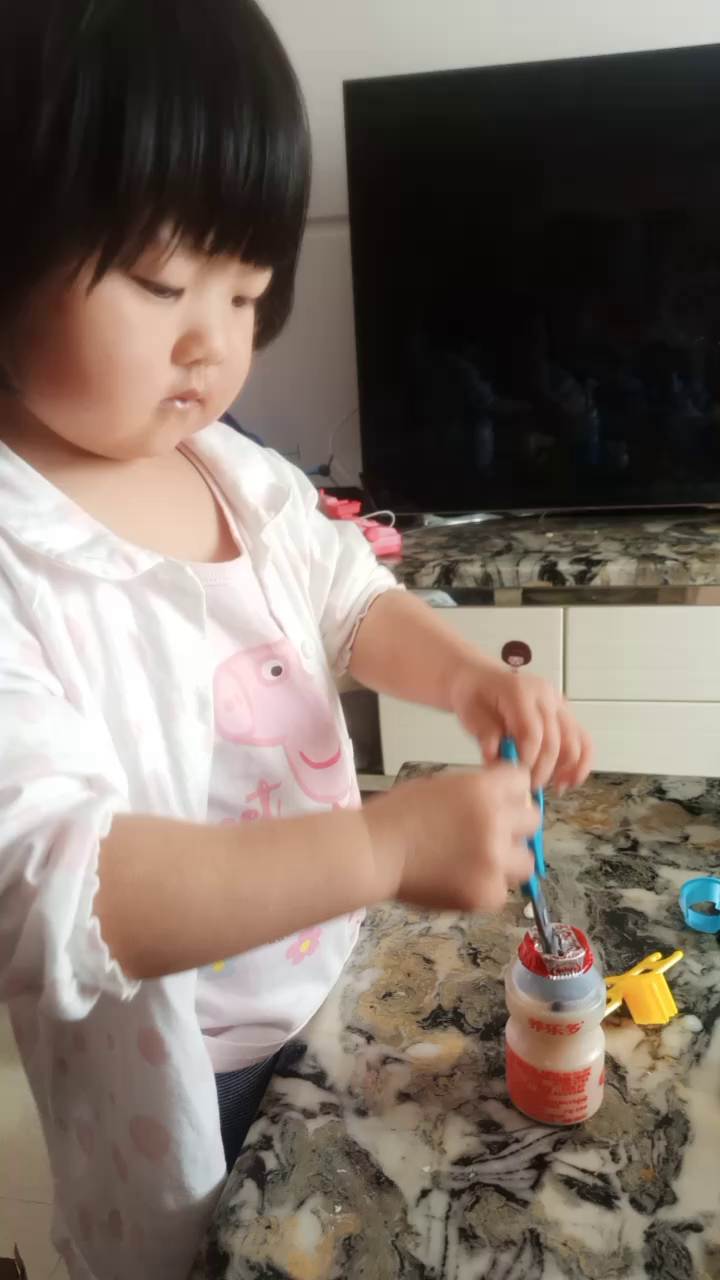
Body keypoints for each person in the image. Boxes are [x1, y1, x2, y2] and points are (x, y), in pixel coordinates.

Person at [0, 2, 593, 1276]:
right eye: (162, 282)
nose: (214, 342)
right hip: (191, 1074)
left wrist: (465, 678)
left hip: (332, 978)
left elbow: (347, 599)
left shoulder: (226, 467)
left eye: (248, 292)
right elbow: (53, 887)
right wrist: (384, 844)